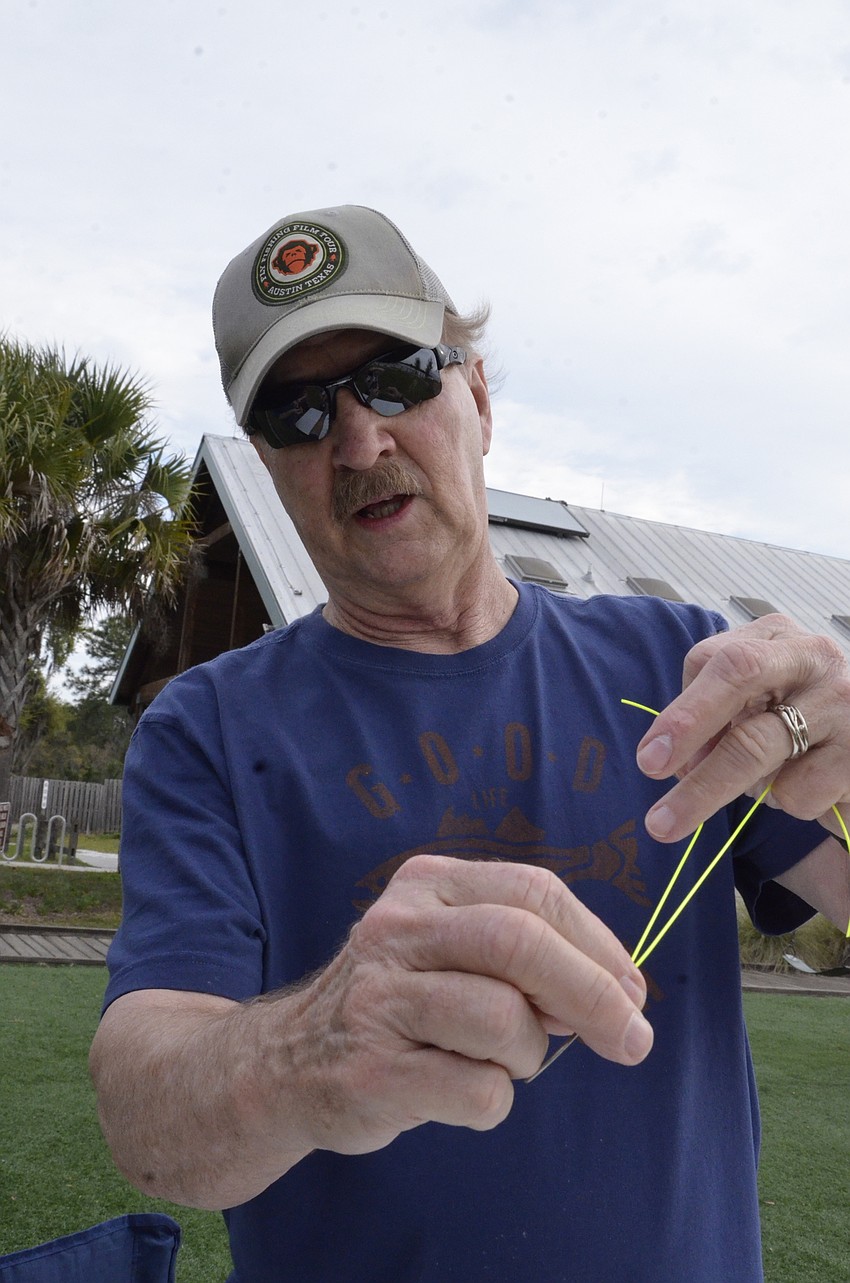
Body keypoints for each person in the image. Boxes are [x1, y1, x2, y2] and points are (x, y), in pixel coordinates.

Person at [90, 204, 850, 1283]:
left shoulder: (681, 666)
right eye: (298, 415)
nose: (358, 441)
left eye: (396, 376)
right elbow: (145, 1112)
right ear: (264, 463)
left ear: (478, 394)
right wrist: (312, 1046)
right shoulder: (206, 730)